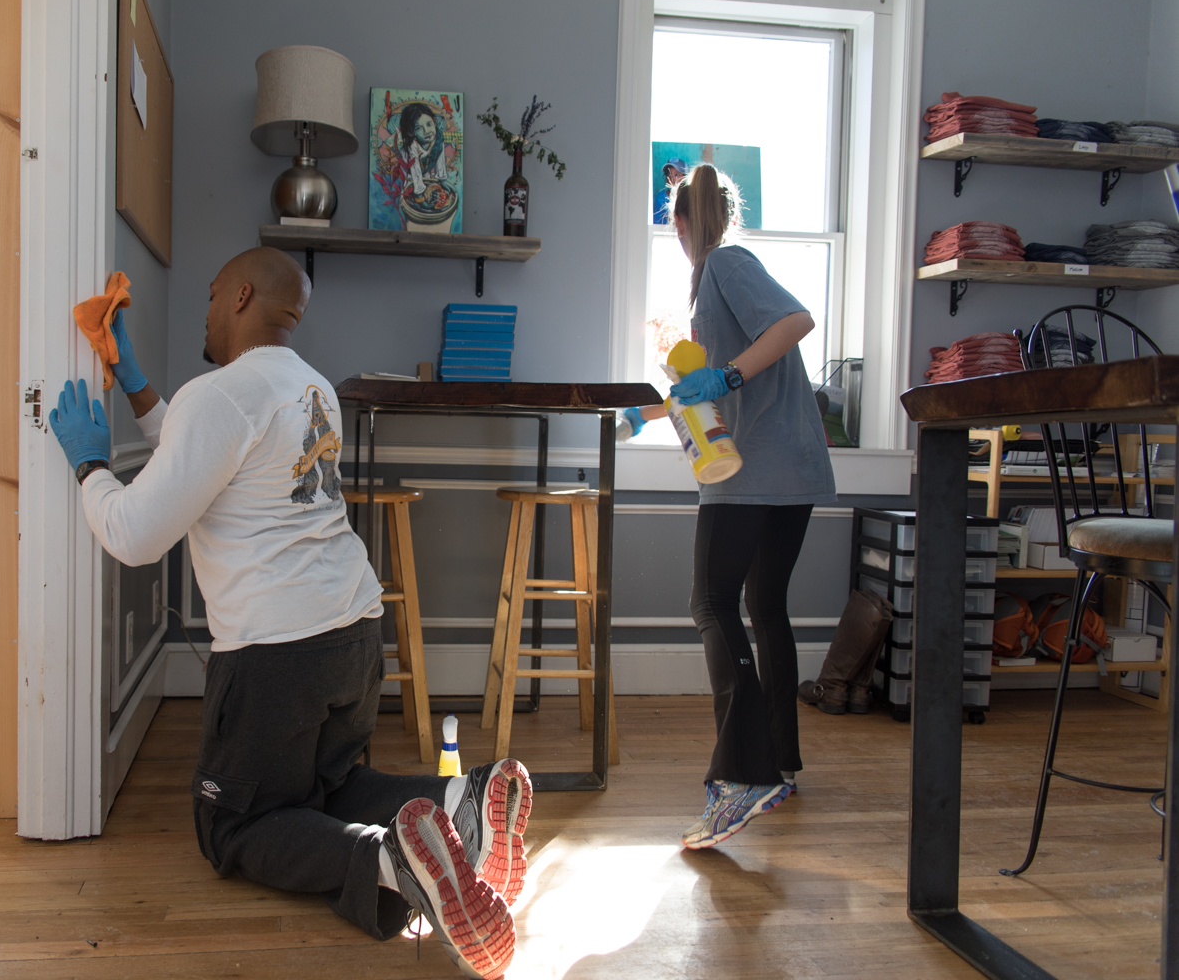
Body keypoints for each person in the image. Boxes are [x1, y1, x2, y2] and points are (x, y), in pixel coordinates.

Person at [47, 247, 531, 978]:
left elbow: (135, 535)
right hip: (352, 630)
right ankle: (466, 798)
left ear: (240, 296)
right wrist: (136, 384)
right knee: (327, 786)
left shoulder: (222, 395)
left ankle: (393, 864)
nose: (205, 312)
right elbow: (210, 452)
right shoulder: (310, 389)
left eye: (211, 294)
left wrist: (89, 466)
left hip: (277, 652)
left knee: (233, 824)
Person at [623, 165, 836, 849]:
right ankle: (779, 762)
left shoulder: (725, 265)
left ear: (681, 224)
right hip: (791, 468)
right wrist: (650, 412)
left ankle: (745, 776)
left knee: (712, 602)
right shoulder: (715, 285)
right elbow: (713, 390)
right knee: (763, 605)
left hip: (753, 472)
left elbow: (796, 321)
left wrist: (731, 371)